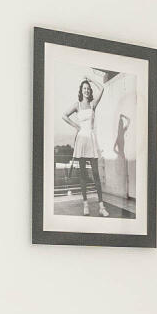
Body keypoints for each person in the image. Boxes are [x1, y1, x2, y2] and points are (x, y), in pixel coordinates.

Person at [62, 76, 103, 212]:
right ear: (81, 90)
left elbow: (102, 88)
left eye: (88, 89)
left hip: (91, 140)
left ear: (90, 91)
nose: (86, 90)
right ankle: (86, 205)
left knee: (96, 174)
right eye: (84, 88)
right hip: (81, 140)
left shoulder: (93, 104)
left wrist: (90, 79)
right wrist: (76, 126)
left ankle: (101, 206)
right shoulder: (77, 105)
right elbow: (64, 115)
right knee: (83, 175)